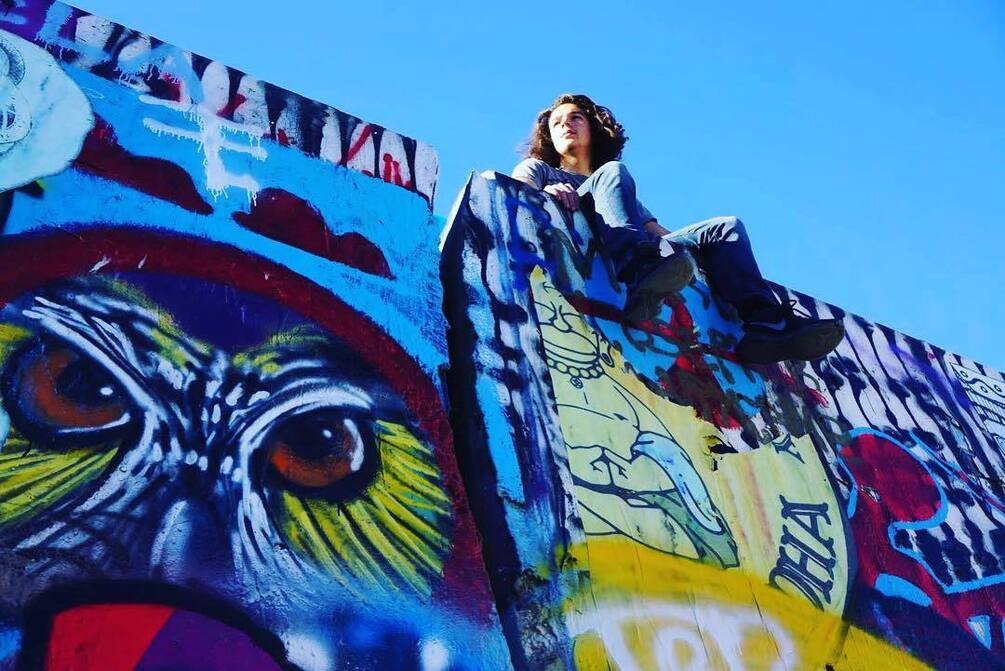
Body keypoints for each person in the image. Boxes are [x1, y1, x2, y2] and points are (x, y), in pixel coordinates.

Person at [511, 93, 844, 365]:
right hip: (598, 237)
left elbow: (658, 233)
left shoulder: (616, 183)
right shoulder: (541, 169)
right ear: (549, 137)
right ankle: (637, 273)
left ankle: (766, 324)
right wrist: (546, 192)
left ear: (592, 128)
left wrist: (695, 257)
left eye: (575, 118)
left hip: (638, 241)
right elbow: (515, 190)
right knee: (613, 172)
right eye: (557, 123)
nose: (566, 125)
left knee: (725, 228)